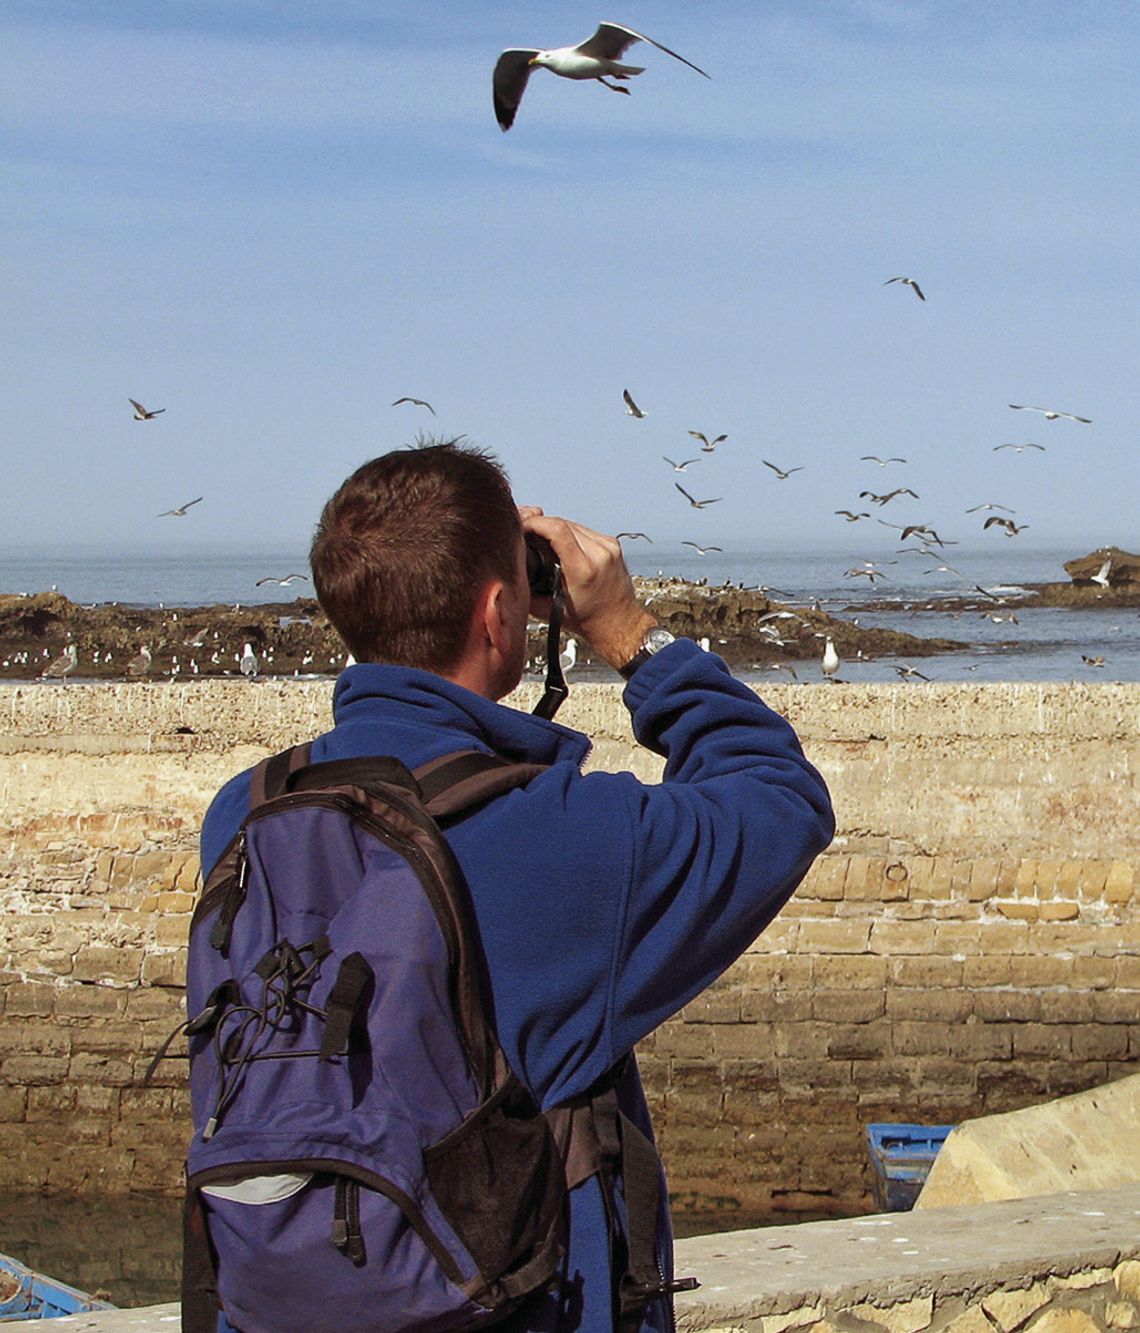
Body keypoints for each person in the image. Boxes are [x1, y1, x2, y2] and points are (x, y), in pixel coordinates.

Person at [198, 439, 835, 1332]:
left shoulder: (246, 816)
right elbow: (778, 797)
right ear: (502, 613)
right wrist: (624, 630)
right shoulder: (560, 837)